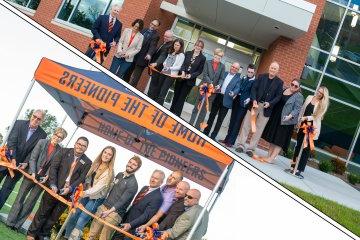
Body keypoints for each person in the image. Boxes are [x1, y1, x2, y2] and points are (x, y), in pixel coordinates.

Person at [26, 137, 92, 240]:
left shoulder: (87, 162)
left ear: (86, 148)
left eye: (83, 146)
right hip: (53, 188)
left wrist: (70, 188)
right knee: (43, 212)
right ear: (75, 143)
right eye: (79, 144)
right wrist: (53, 184)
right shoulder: (64, 151)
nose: (80, 147)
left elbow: (81, 178)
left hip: (67, 193)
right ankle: (31, 234)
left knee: (54, 217)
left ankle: (41, 236)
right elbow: (53, 168)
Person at [6, 128, 67, 231]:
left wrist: (46, 177)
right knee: (20, 197)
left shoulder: (60, 151)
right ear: (53, 134)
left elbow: (54, 166)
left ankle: (17, 225)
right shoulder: (42, 142)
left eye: (60, 137)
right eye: (56, 135)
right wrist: (33, 173)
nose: (57, 138)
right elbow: (33, 158)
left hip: (43, 181)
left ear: (62, 139)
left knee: (31, 202)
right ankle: (10, 221)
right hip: (31, 174)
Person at [65, 146, 117, 240]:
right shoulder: (95, 164)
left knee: (81, 221)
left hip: (95, 199)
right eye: (105, 152)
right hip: (86, 194)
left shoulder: (109, 172)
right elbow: (88, 179)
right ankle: (66, 237)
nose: (106, 155)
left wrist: (83, 193)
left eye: (109, 154)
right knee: (73, 216)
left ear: (112, 158)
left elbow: (97, 189)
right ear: (102, 152)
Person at [0, 109, 47, 210]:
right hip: (6, 160)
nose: (35, 119)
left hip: (20, 167)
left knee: (6, 190)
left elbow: (34, 152)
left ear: (42, 121)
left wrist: (26, 163)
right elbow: (12, 141)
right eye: (34, 116)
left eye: (39, 119)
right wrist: (13, 158)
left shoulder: (43, 135)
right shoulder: (19, 123)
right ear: (31, 115)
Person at [87, 156, 142, 240]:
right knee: (91, 234)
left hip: (115, 214)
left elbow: (122, 201)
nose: (130, 165)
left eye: (134, 165)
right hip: (104, 208)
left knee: (103, 238)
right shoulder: (119, 174)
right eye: (130, 162)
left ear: (137, 168)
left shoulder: (133, 184)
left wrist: (109, 212)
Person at [236, 62, 283, 157]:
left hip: (266, 108)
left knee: (258, 129)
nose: (272, 69)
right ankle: (241, 145)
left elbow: (278, 96)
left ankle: (251, 149)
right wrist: (254, 100)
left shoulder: (279, 82)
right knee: (247, 125)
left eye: (275, 68)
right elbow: (254, 89)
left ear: (277, 71)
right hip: (255, 105)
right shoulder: (261, 76)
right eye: (271, 67)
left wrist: (270, 103)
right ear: (269, 67)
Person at [287, 86, 329, 178]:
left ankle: (299, 170)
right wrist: (299, 121)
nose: (318, 93)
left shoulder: (322, 104)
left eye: (321, 93)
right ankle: (293, 166)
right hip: (302, 123)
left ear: (323, 95)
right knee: (298, 146)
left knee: (305, 149)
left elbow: (316, 116)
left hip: (311, 127)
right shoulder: (309, 97)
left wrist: (305, 118)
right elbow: (302, 110)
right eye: (318, 91)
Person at [111, 169, 165, 240]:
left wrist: (130, 225)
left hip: (134, 229)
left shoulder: (158, 197)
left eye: (156, 179)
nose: (153, 179)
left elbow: (146, 215)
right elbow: (134, 205)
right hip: (125, 221)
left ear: (161, 182)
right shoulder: (145, 188)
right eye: (152, 177)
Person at [261, 79, 304, 163]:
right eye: (292, 84)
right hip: (276, 117)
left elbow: (297, 109)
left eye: (296, 86)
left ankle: (271, 158)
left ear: (298, 88)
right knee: (273, 137)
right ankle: (269, 156)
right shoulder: (284, 90)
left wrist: (289, 116)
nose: (293, 87)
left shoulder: (299, 96)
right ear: (290, 83)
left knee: (279, 140)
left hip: (286, 121)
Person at [203, 62, 242, 140]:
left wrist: (233, 93)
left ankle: (213, 136)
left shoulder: (238, 79)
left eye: (236, 68)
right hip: (218, 96)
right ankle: (206, 132)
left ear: (238, 70)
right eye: (233, 67)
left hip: (227, 100)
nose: (234, 69)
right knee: (211, 116)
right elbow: (219, 81)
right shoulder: (224, 73)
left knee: (220, 120)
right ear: (231, 66)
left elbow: (237, 88)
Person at [189, 48, 226, 129]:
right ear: (214, 55)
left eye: (220, 57)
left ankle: (197, 128)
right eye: (217, 56)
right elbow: (205, 75)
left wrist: (219, 85)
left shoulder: (222, 66)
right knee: (196, 106)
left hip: (212, 92)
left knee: (204, 110)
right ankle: (190, 124)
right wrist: (211, 83)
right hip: (204, 87)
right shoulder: (207, 62)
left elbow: (222, 78)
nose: (218, 59)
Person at [221, 64, 256, 147]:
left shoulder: (255, 81)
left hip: (243, 104)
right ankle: (227, 139)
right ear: (247, 71)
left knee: (237, 122)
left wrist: (250, 98)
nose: (250, 73)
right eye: (248, 71)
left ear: (254, 72)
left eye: (251, 72)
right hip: (236, 101)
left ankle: (231, 142)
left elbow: (254, 92)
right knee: (232, 120)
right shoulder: (243, 77)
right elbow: (239, 87)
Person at [169, 40, 206, 117]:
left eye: (200, 46)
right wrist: (182, 71)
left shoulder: (202, 58)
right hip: (181, 77)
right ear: (194, 45)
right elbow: (182, 64)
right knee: (176, 96)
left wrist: (191, 75)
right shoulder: (187, 53)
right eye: (197, 45)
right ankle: (170, 113)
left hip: (189, 81)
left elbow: (199, 71)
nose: (198, 47)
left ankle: (176, 116)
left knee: (181, 98)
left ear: (202, 48)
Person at [150, 39, 185, 105]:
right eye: (175, 44)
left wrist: (170, 68)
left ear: (181, 46)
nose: (176, 46)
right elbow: (166, 60)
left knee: (163, 91)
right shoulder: (171, 51)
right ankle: (153, 104)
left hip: (171, 75)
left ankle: (159, 106)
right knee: (158, 88)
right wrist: (164, 64)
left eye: (178, 45)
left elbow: (179, 66)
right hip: (164, 72)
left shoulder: (181, 55)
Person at [128, 19, 161, 87]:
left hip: (142, 59)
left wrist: (149, 54)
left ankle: (130, 91)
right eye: (152, 23)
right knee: (127, 73)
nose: (152, 26)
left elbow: (153, 46)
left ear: (157, 27)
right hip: (133, 55)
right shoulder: (143, 30)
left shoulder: (156, 36)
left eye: (154, 25)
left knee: (135, 78)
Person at [147, 30, 174, 99]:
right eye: (165, 36)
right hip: (155, 68)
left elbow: (163, 56)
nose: (165, 37)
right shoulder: (164, 43)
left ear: (171, 38)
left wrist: (156, 63)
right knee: (152, 85)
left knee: (154, 87)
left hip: (160, 69)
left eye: (167, 37)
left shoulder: (170, 46)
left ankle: (150, 99)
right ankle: (149, 97)